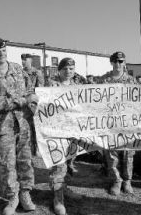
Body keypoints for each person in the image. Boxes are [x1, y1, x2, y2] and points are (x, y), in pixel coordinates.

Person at [0, 38, 37, 215]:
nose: (2, 53)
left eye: (4, 50)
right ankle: (13, 197)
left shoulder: (18, 69)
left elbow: (29, 91)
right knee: (7, 164)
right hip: (4, 128)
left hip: (23, 123)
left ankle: (25, 194)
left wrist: (34, 102)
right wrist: (24, 101)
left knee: (25, 161)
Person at [48, 57, 85, 215]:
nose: (68, 71)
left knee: (69, 163)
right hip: (57, 132)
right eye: (65, 69)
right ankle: (58, 199)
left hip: (73, 131)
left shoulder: (78, 86)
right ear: (59, 70)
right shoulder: (51, 85)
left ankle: (65, 188)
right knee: (59, 165)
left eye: (71, 68)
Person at [99, 51, 137, 196]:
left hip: (127, 123)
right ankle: (116, 180)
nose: (118, 64)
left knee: (128, 154)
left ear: (124, 62)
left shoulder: (132, 80)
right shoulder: (104, 80)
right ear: (111, 62)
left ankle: (127, 181)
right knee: (111, 154)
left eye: (121, 61)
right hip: (110, 123)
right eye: (115, 61)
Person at [21, 53, 44, 155]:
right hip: (23, 103)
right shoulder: (20, 73)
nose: (23, 62)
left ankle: (38, 149)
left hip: (34, 103)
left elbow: (41, 89)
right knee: (26, 127)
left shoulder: (37, 73)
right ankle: (29, 149)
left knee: (36, 127)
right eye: (22, 60)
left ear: (30, 61)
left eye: (25, 60)